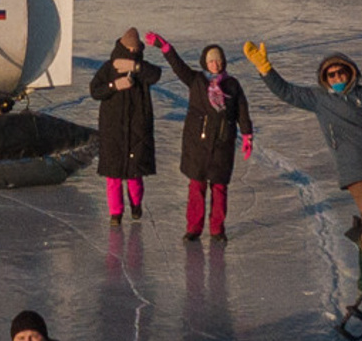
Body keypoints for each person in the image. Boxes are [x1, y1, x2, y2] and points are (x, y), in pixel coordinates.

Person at [243, 43, 362, 259]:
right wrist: (265, 68)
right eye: (331, 75)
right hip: (355, 172)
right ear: (325, 78)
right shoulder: (319, 99)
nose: (336, 78)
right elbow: (286, 92)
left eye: (340, 73)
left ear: (350, 72)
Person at [148, 34, 254, 242]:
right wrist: (165, 46)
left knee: (219, 188)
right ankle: (194, 228)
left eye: (219, 60)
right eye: (211, 61)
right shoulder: (197, 80)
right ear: (206, 62)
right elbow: (178, 67)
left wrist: (247, 134)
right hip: (198, 143)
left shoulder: (232, 85)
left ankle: (217, 229)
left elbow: (242, 110)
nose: (215, 64)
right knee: (196, 187)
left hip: (223, 143)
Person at [89, 29, 160, 220]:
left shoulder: (141, 68)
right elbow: (95, 91)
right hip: (113, 129)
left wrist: (136, 67)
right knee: (113, 176)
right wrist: (114, 86)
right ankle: (115, 213)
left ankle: (136, 205)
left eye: (135, 49)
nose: (132, 51)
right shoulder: (109, 68)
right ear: (122, 46)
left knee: (135, 175)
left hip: (137, 128)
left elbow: (156, 74)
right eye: (129, 48)